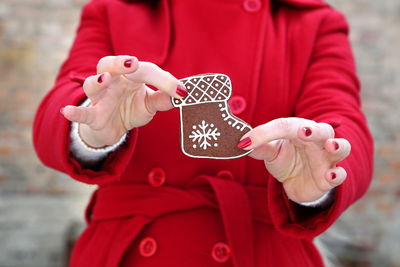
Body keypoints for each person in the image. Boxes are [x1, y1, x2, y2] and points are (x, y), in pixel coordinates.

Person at [33, 0, 373, 266]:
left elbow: (341, 117)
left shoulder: (313, 22)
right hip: (129, 251)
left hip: (260, 252)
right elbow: (68, 96)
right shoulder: (114, 10)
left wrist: (320, 169)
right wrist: (93, 129)